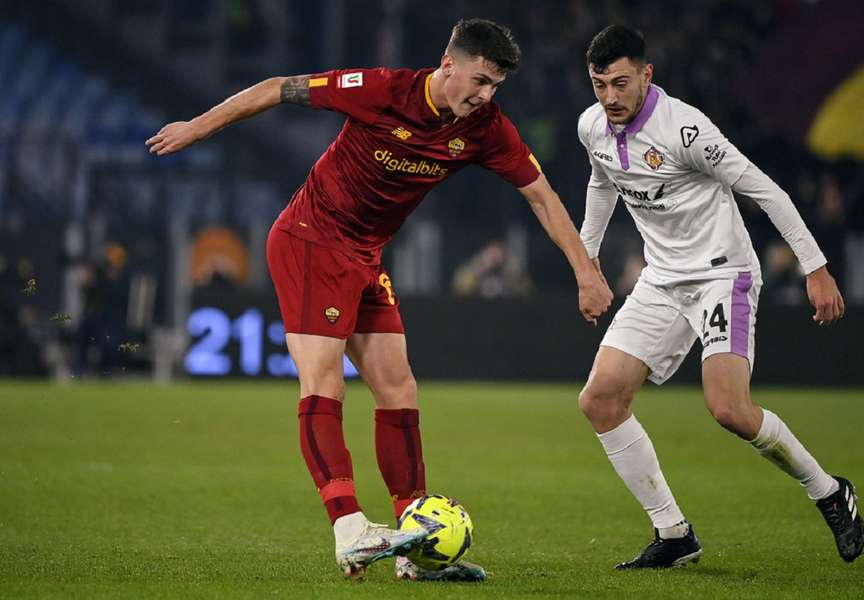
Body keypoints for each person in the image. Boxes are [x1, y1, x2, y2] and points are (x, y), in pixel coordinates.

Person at [147, 18, 613, 581]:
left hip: (366, 255)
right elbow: (276, 87)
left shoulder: (486, 127)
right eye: (481, 80)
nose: (486, 96)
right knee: (324, 380)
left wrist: (586, 272)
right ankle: (349, 529)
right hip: (311, 238)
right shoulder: (382, 90)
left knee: (398, 386)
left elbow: (541, 196)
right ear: (448, 65)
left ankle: (414, 545)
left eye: (495, 87)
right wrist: (197, 127)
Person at [575, 25, 864, 569]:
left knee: (729, 409)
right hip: (661, 279)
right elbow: (600, 184)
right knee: (599, 400)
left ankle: (829, 491)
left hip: (721, 274)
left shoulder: (684, 130)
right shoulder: (592, 126)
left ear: (646, 75)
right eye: (598, 85)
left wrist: (816, 267)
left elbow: (764, 188)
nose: (609, 98)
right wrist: (587, 264)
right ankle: (674, 533)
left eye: (619, 83)